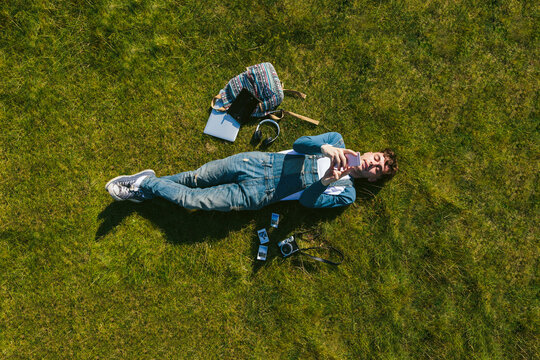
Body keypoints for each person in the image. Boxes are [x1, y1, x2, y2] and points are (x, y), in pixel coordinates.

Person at [105, 132, 398, 211]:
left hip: (258, 194)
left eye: (379, 170)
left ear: (374, 178)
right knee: (194, 178)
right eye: (377, 159)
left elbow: (308, 204)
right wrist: (323, 150)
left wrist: (324, 182)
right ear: (371, 152)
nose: (374, 164)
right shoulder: (337, 141)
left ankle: (145, 183)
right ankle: (147, 187)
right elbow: (298, 144)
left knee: (192, 201)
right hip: (258, 162)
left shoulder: (345, 194)